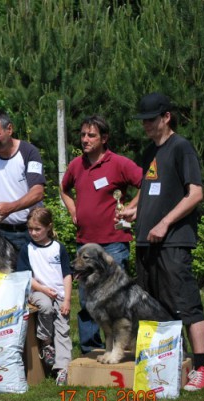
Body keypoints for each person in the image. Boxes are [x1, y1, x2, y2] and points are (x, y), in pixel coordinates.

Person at [120, 92, 204, 391]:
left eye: (150, 119)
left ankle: (200, 369)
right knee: (153, 306)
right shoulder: (149, 152)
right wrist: (133, 209)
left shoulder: (182, 147)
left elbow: (195, 194)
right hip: (146, 243)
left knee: (186, 304)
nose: (145, 125)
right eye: (142, 120)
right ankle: (167, 362)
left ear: (166, 117)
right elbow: (149, 187)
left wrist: (165, 222)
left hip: (173, 242)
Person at [59, 115, 143, 354]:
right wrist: (73, 209)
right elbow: (64, 188)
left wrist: (132, 208)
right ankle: (90, 349)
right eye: (83, 134)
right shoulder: (77, 165)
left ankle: (120, 347)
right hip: (85, 246)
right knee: (87, 301)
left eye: (91, 135)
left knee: (115, 301)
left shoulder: (119, 163)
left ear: (104, 138)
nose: (85, 139)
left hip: (114, 244)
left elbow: (146, 182)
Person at [0, 109, 46, 251]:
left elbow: (38, 192)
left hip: (31, 231)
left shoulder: (29, 152)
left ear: (9, 129)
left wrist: (11, 207)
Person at [16, 207, 73, 386]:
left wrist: (67, 299)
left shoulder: (58, 248)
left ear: (48, 227)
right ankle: (46, 342)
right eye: (30, 229)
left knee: (63, 329)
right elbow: (26, 276)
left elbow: (67, 275)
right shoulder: (27, 249)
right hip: (37, 291)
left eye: (37, 229)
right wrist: (43, 289)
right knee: (46, 306)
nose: (33, 233)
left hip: (60, 294)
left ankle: (62, 368)